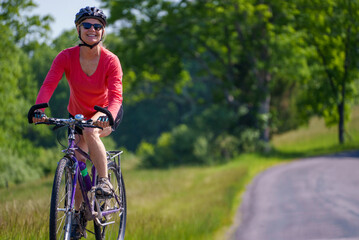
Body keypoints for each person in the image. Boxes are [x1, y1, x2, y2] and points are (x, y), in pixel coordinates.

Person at [31, 6, 123, 239]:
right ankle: (79, 217)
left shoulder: (111, 60)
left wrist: (107, 114)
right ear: (78, 28)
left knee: (91, 133)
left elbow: (116, 97)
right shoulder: (65, 56)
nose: (92, 30)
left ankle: (104, 183)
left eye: (97, 26)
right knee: (78, 159)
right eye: (87, 25)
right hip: (77, 114)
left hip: (106, 112)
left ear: (103, 31)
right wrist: (40, 107)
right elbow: (49, 84)